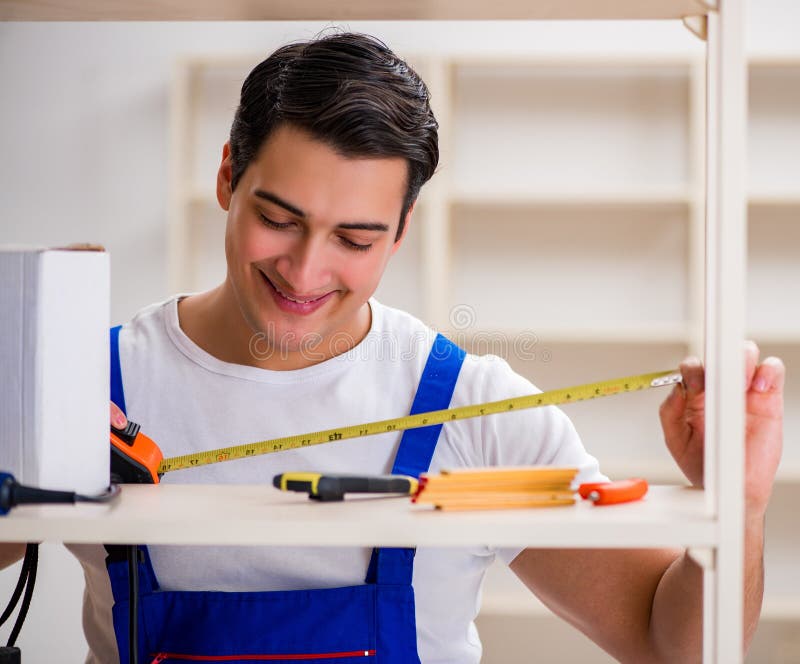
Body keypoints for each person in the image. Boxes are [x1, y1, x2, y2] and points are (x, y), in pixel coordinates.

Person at [0, 32, 785, 663]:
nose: (306, 270)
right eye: (279, 218)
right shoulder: (85, 388)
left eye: (354, 237)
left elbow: (668, 642)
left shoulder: (477, 407)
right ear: (227, 177)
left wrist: (740, 510)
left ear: (401, 232)